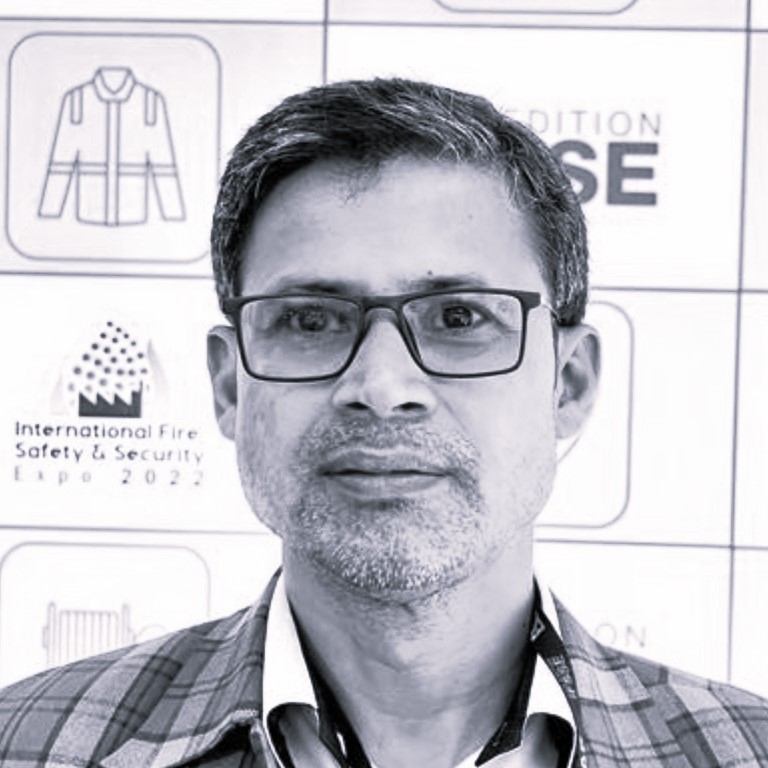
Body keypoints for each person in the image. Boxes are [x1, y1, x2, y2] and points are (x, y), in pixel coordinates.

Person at [0, 78, 765, 768]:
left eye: (459, 317)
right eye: (310, 320)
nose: (381, 386)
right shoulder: (26, 744)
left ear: (568, 382)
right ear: (230, 385)